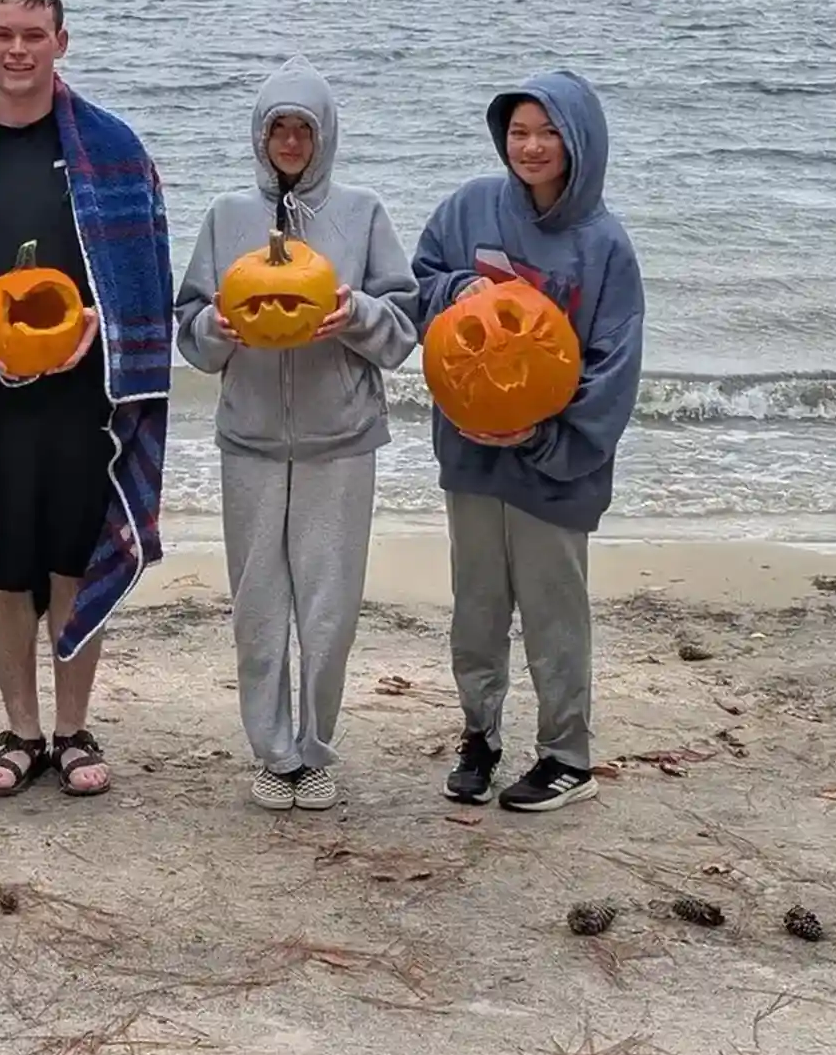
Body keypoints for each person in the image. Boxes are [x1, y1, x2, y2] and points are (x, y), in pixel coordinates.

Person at [0, 0, 171, 800]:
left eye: (33, 34)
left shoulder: (114, 147)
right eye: (3, 34)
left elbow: (146, 275)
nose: (18, 49)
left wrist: (102, 318)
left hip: (84, 394)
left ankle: (72, 726)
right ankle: (19, 728)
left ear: (62, 41)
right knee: (4, 567)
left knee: (72, 558)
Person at [175, 56, 418, 811]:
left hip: (339, 441)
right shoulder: (225, 216)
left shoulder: (364, 212)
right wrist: (216, 327)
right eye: (276, 127)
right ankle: (270, 752)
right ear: (259, 135)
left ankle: (315, 749)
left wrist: (361, 319)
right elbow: (188, 328)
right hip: (249, 439)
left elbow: (405, 328)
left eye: (302, 129)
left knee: (327, 607)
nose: (289, 141)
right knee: (258, 607)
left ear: (324, 136)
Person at [411, 68, 644, 812]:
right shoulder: (470, 207)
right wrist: (455, 291)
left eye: (548, 132)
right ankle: (479, 736)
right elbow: (417, 284)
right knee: (476, 607)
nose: (532, 146)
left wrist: (545, 435)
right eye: (519, 132)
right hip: (474, 453)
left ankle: (566, 756)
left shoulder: (605, 245)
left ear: (578, 141)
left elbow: (614, 364)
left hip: (554, 467)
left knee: (553, 613)